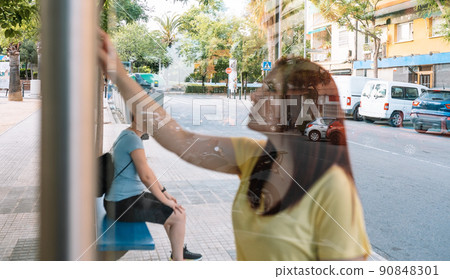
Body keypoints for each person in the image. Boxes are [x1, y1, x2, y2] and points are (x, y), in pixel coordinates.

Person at [98, 30, 372, 261]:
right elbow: (178, 139)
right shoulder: (252, 155)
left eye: (269, 90)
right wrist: (117, 72)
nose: (254, 95)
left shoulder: (331, 186)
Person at [104, 113, 203, 261]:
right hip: (122, 204)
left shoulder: (127, 135)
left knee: (172, 208)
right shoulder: (133, 140)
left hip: (122, 199)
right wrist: (164, 200)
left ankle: (178, 251)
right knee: (179, 215)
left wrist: (164, 193)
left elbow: (148, 170)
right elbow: (145, 177)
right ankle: (178, 259)